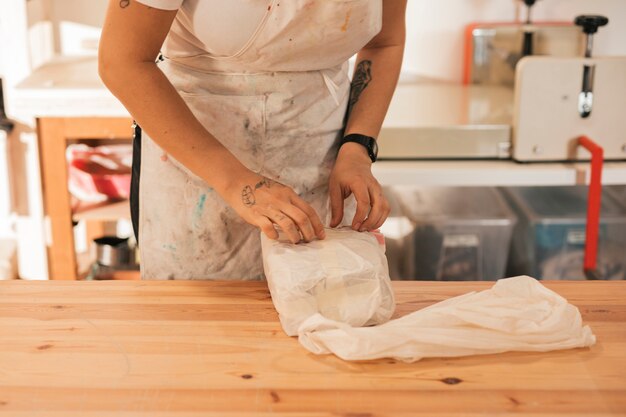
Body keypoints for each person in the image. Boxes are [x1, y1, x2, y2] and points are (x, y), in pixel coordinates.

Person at [98, 0, 407, 280]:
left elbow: (384, 43)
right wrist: (234, 181)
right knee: (205, 327)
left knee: (327, 306)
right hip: (199, 164)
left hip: (323, 154)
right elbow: (123, 61)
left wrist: (357, 148)